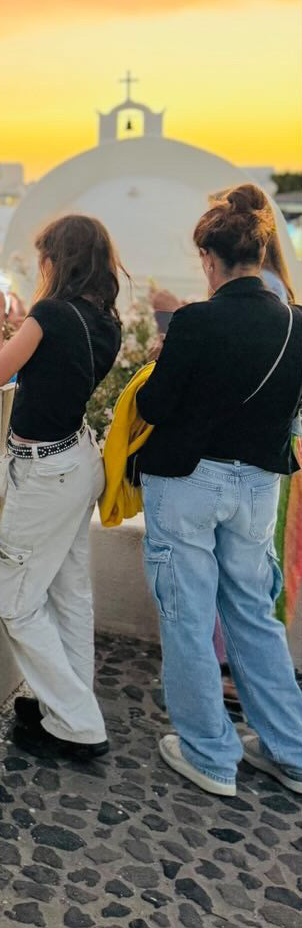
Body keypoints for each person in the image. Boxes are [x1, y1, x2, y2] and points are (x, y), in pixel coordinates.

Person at [136, 185, 302, 797]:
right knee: (253, 616)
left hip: (189, 482)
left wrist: (161, 361)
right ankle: (291, 750)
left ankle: (209, 752)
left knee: (188, 614)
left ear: (210, 258)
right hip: (257, 485)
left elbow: (155, 405)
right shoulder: (296, 323)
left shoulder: (195, 320)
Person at [0, 214, 124, 760]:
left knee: (13, 600)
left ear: (56, 261)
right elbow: (51, 361)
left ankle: (78, 723)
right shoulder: (105, 319)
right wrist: (24, 323)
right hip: (78, 459)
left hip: (46, 472)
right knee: (69, 592)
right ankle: (62, 705)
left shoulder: (50, 314)